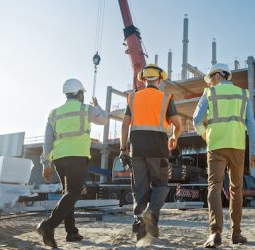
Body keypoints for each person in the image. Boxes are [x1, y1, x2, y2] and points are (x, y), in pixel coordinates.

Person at [193, 63, 255, 248]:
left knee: (214, 186)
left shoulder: (209, 93)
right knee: (236, 189)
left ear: (217, 76)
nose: (209, 84)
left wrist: (204, 133)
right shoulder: (243, 94)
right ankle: (236, 234)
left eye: (210, 79)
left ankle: (215, 233)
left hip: (215, 146)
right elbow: (251, 126)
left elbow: (195, 120)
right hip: (237, 146)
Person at [38, 78, 109, 248]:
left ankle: (72, 232)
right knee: (74, 192)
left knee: (67, 194)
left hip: (59, 158)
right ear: (79, 94)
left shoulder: (54, 113)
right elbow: (104, 119)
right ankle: (48, 225)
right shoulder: (86, 109)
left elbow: (47, 141)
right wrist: (97, 106)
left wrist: (45, 163)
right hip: (77, 156)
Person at [120, 64, 182, 241]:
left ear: (144, 79)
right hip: (158, 149)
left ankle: (141, 224)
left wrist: (123, 148)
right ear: (160, 79)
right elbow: (178, 125)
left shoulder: (133, 97)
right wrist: (174, 138)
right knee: (161, 185)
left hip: (137, 150)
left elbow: (125, 125)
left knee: (140, 188)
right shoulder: (166, 98)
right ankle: (151, 214)